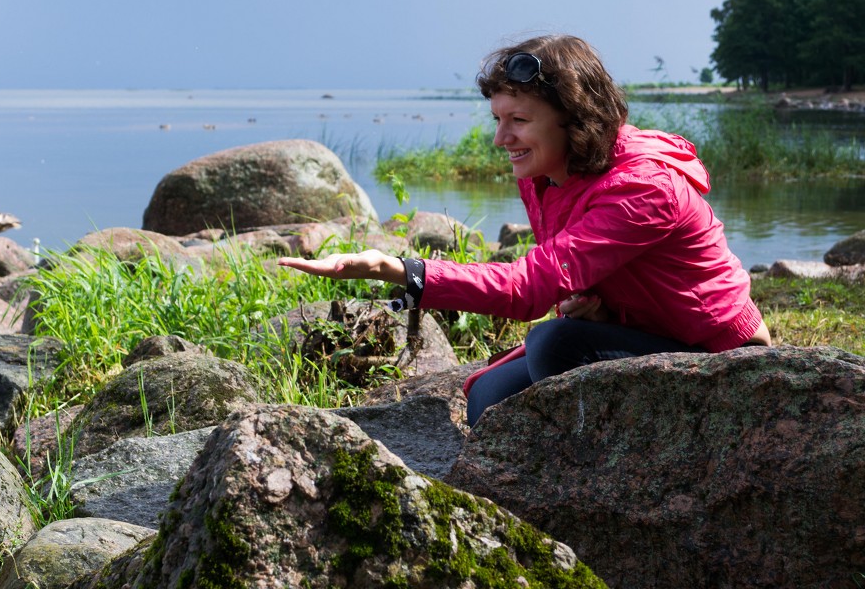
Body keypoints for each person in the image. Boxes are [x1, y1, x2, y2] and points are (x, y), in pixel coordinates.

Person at [278, 34, 771, 427]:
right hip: (644, 331)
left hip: (721, 353)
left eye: (518, 120)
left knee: (554, 344)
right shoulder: (545, 176)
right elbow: (568, 273)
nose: (500, 138)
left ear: (574, 120)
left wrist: (399, 270)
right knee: (488, 400)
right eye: (497, 119)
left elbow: (527, 288)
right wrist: (595, 307)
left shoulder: (644, 188)